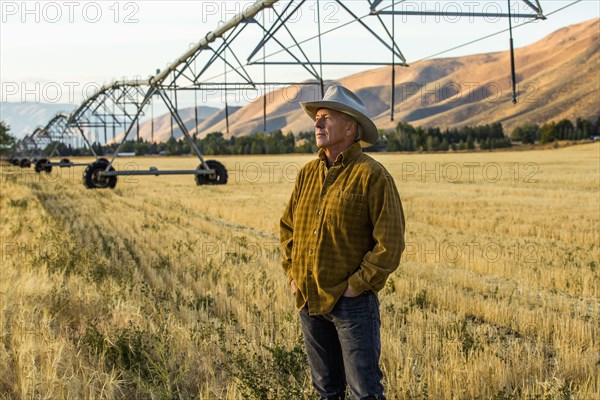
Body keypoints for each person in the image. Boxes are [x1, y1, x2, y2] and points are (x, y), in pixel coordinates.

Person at [279, 84, 406, 399]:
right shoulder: (307, 174)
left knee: (365, 391)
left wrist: (356, 286)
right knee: (327, 390)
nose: (317, 124)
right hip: (309, 299)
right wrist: (293, 274)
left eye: (326, 118)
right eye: (317, 118)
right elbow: (287, 227)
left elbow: (390, 243)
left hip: (352, 304)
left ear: (351, 128)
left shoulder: (372, 175)